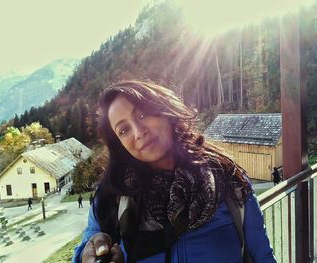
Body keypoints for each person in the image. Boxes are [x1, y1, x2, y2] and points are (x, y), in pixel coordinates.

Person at [72, 80, 276, 263]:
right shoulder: (112, 196)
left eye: (143, 114)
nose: (138, 132)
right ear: (119, 144)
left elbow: (262, 256)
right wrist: (87, 255)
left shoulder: (227, 179)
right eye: (124, 130)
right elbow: (90, 243)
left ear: (163, 110)